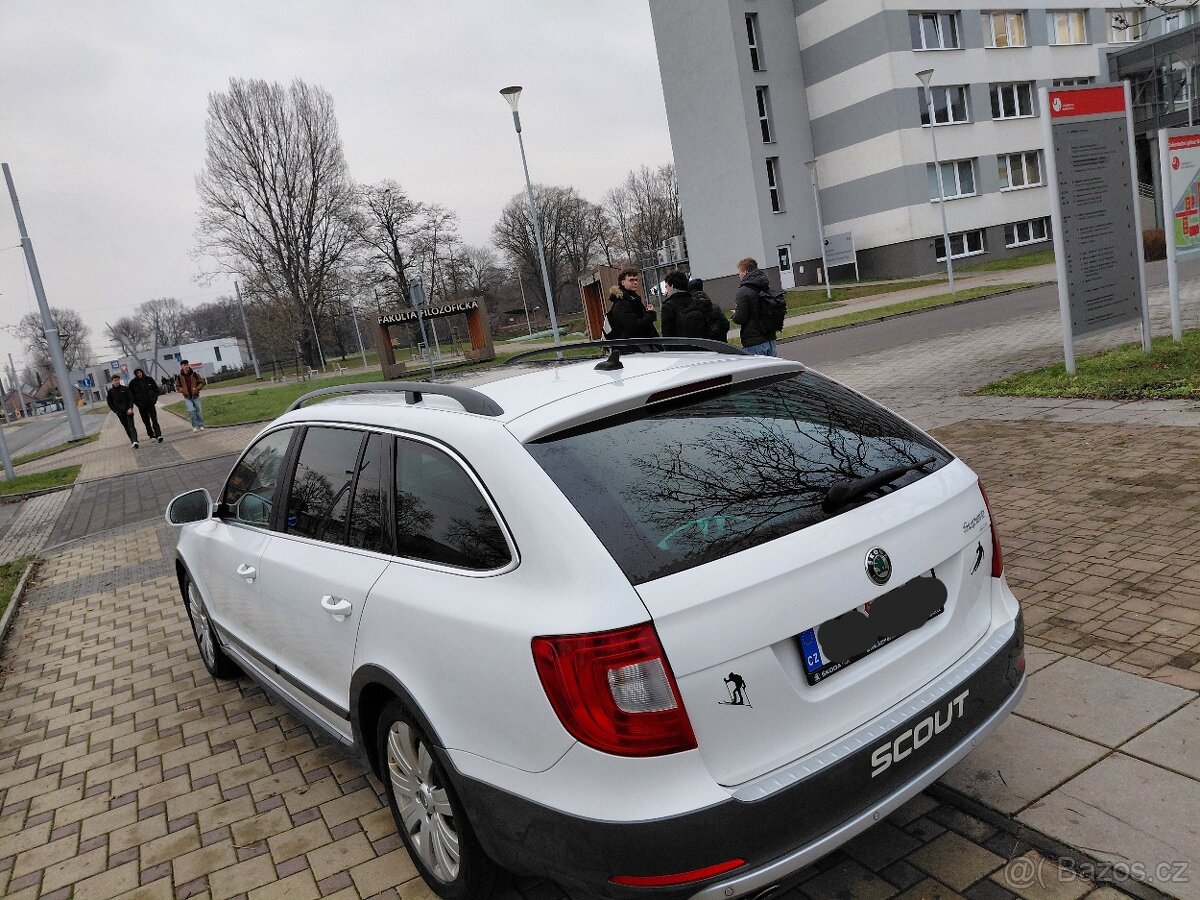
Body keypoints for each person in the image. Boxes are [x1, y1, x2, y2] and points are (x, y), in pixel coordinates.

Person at [732, 256, 779, 356]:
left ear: (745, 272)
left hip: (754, 340)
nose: (739, 276)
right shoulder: (765, 286)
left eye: (739, 272)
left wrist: (735, 314)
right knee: (773, 370)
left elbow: (740, 318)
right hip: (770, 338)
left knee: (758, 371)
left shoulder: (743, 291)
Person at [605, 268, 659, 340]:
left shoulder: (632, 299)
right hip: (634, 347)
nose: (635, 282)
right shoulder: (622, 303)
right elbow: (634, 327)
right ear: (623, 282)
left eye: (636, 280)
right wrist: (650, 314)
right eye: (631, 280)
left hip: (640, 345)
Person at [689, 277, 730, 342]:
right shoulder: (714, 307)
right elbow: (725, 324)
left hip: (703, 347)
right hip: (720, 345)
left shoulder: (690, 310)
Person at [129, 367, 163, 443]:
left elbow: (156, 390)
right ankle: (151, 435)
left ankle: (158, 435)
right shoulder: (133, 383)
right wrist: (137, 403)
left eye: (140, 372)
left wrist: (154, 400)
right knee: (146, 421)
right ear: (135, 374)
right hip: (142, 406)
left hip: (150, 404)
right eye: (137, 373)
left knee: (154, 420)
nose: (139, 374)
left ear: (142, 372)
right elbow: (131, 395)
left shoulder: (149, 380)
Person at [106, 374, 139, 449]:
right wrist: (116, 411)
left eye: (118, 380)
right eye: (115, 380)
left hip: (128, 411)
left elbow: (131, 398)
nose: (117, 381)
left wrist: (130, 407)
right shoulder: (110, 392)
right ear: (112, 381)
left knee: (131, 426)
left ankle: (135, 441)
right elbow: (110, 403)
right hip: (120, 413)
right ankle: (132, 441)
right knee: (126, 427)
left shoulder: (125, 389)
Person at [176, 360, 207, 431]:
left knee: (199, 411)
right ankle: (195, 426)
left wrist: (197, 389)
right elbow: (177, 386)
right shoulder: (179, 376)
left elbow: (202, 382)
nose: (186, 366)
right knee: (191, 411)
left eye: (187, 365)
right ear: (181, 366)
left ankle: (201, 425)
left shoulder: (194, 374)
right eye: (184, 365)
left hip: (196, 396)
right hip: (187, 397)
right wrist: (182, 390)